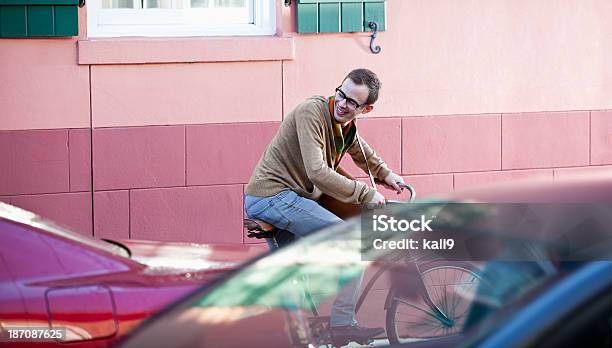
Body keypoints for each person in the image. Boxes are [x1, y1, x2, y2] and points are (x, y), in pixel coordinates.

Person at [244, 68, 405, 346]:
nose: (343, 103)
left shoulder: (344, 125)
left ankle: (292, 329)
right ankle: (342, 323)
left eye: (352, 102)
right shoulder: (312, 112)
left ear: (366, 109)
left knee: (292, 276)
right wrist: (365, 194)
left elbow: (358, 148)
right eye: (341, 94)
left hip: (292, 198)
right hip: (272, 196)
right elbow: (317, 172)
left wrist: (386, 174)